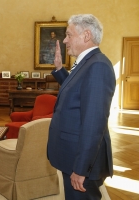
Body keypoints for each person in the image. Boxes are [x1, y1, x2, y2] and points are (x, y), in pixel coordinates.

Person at [47, 14, 116, 199]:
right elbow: (77, 92)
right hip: (73, 154)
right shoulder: (88, 63)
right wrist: (60, 69)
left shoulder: (98, 66)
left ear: (86, 36)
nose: (65, 40)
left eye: (69, 35)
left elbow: (93, 124)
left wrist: (81, 168)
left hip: (81, 160)